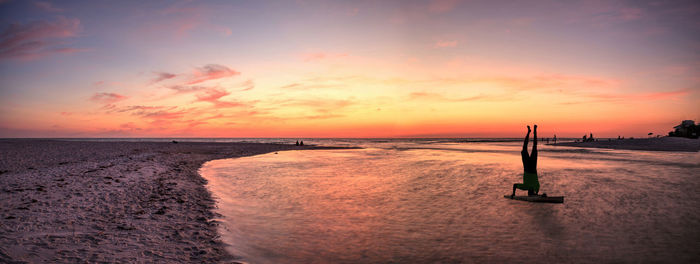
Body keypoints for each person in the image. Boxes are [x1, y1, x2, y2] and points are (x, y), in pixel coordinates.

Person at [512, 125, 540, 197]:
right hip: (532, 167)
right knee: (535, 146)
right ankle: (534, 131)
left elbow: (515, 185)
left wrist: (513, 194)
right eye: (532, 192)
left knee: (525, 147)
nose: (531, 191)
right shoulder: (536, 187)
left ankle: (529, 132)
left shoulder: (526, 187)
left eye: (530, 193)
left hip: (527, 167)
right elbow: (538, 194)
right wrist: (538, 195)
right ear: (533, 192)